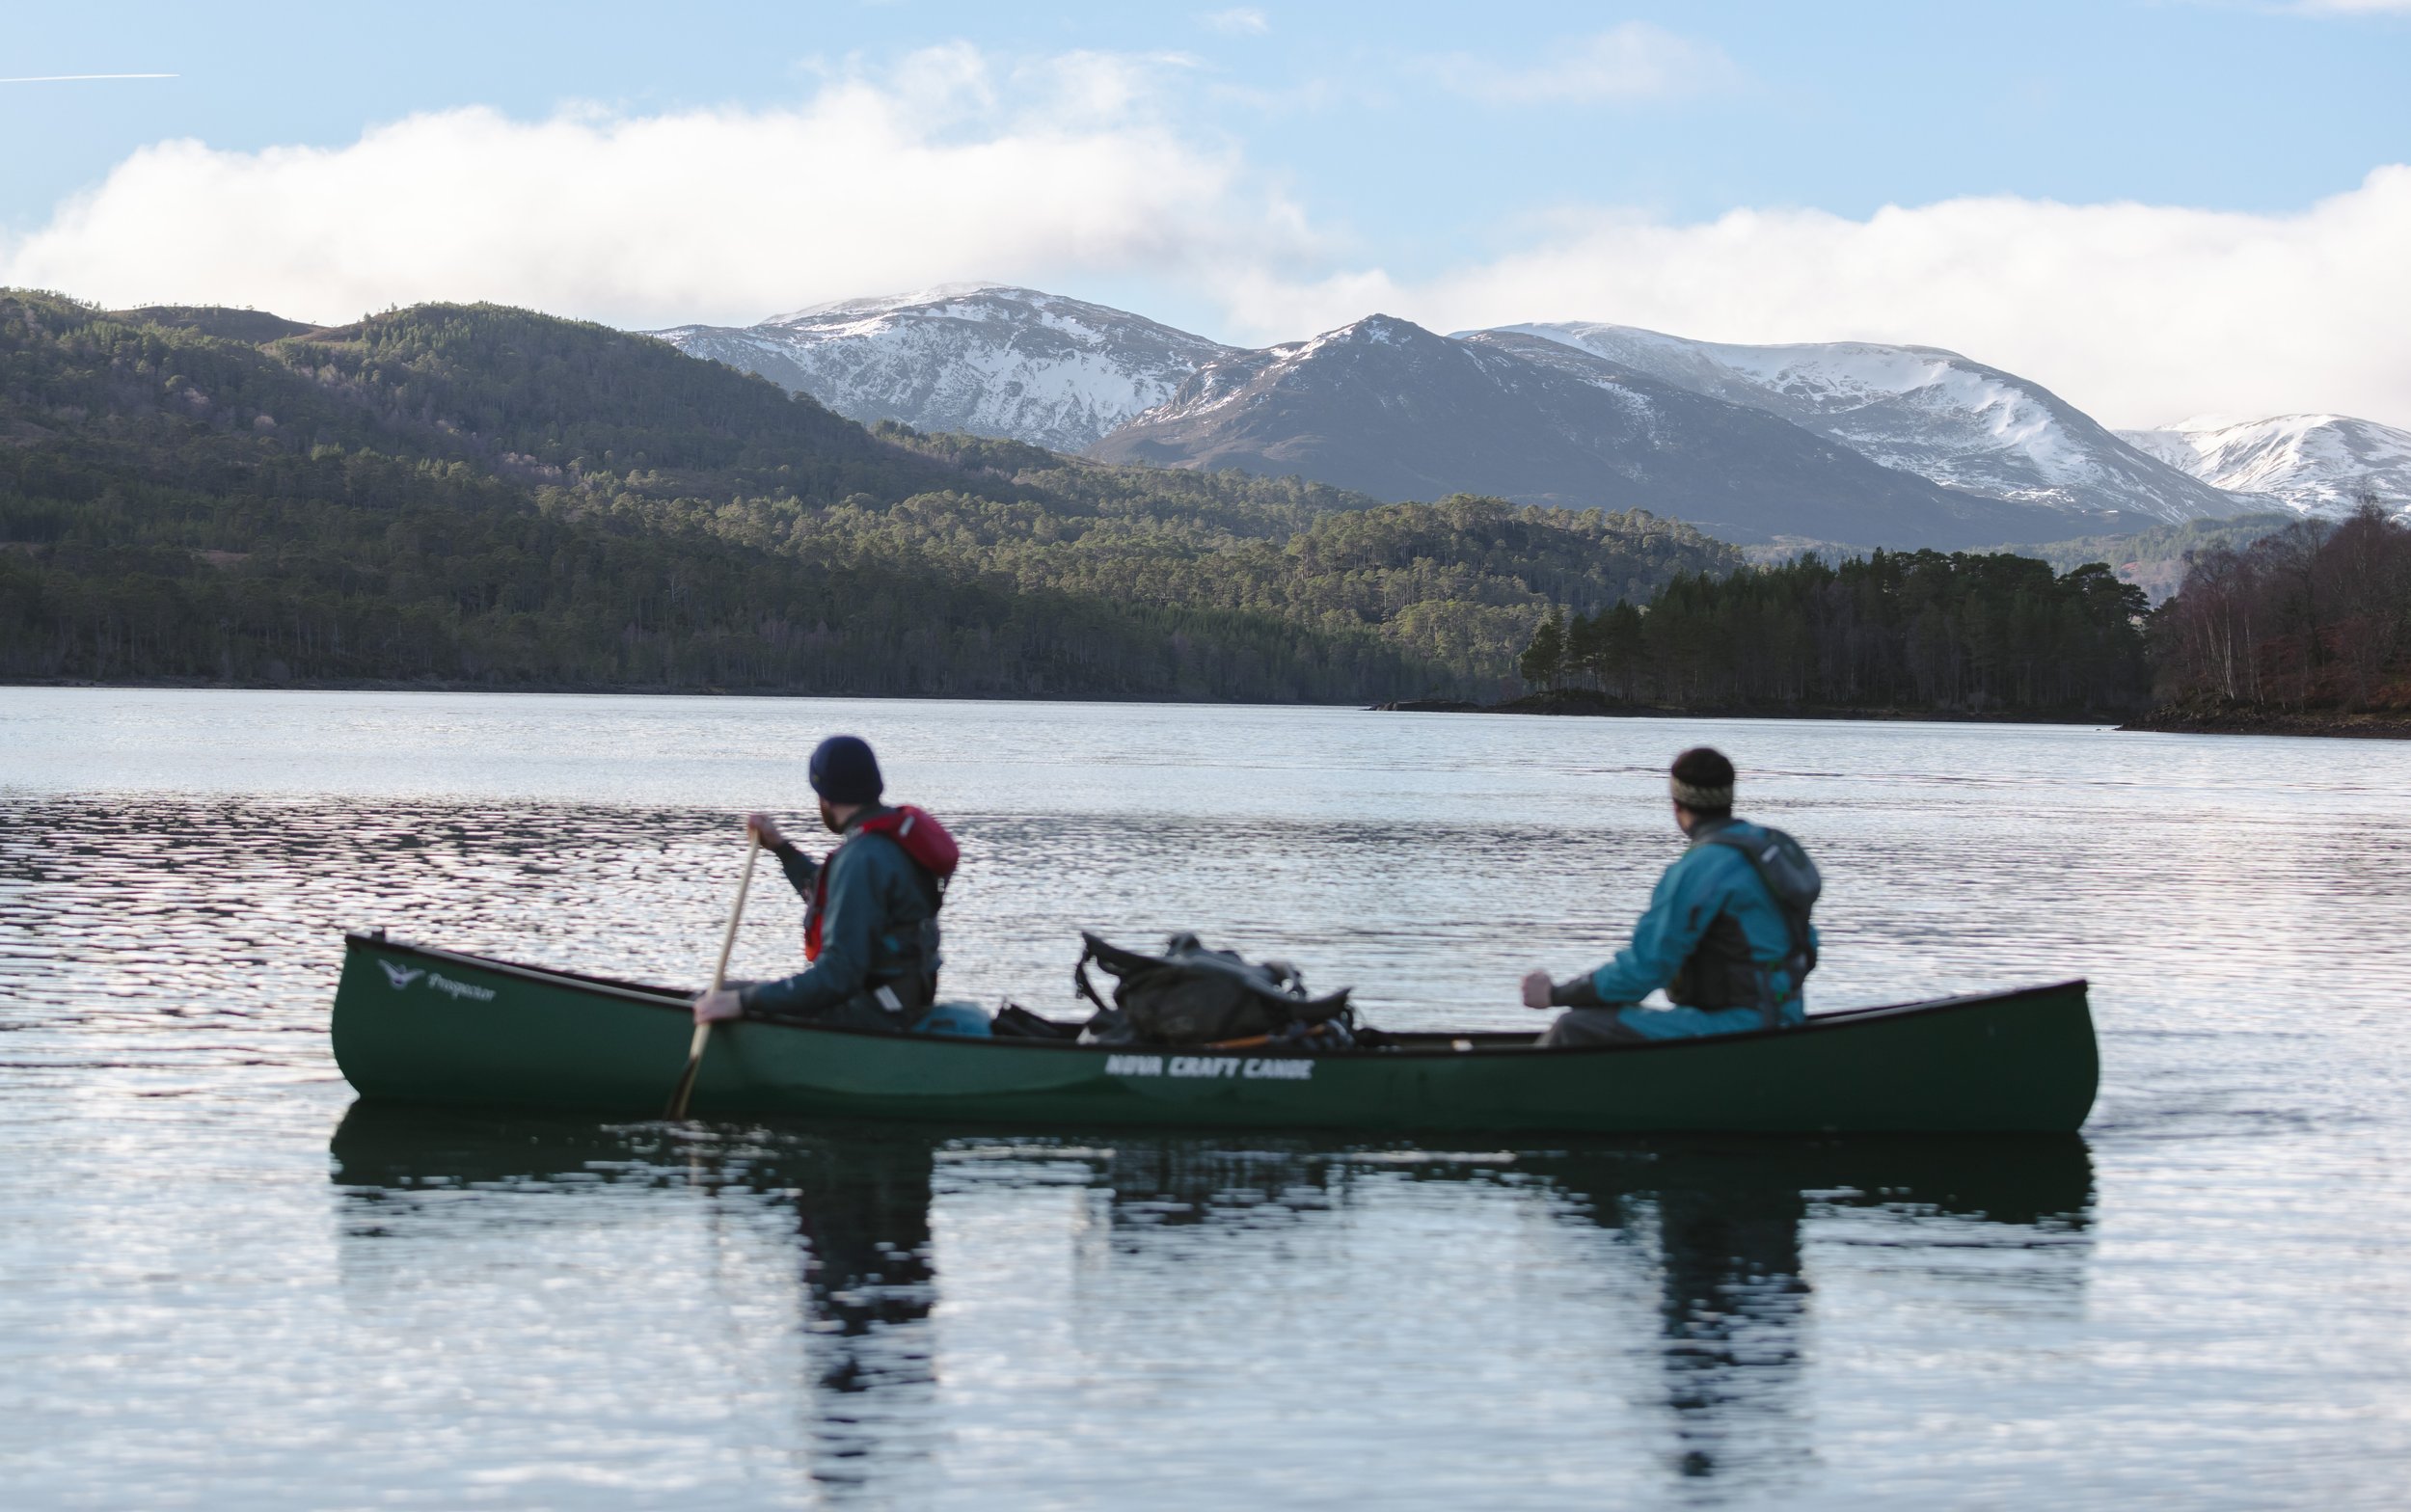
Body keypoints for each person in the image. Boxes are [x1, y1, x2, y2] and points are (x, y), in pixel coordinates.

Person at [1520, 746, 1819, 1047]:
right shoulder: (1776, 848)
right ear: (1729, 797)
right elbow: (1808, 944)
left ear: (1677, 804)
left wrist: (1556, 994)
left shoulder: (1698, 868)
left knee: (1575, 1026)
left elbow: (1643, 971)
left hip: (1740, 1028)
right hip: (1786, 1017)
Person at [691, 735, 955, 1034]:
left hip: (874, 1013)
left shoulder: (861, 857)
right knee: (724, 993)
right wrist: (782, 849)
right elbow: (836, 898)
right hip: (902, 1001)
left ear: (825, 797)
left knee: (710, 998)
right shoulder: (895, 842)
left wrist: (744, 1002)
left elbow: (838, 977)